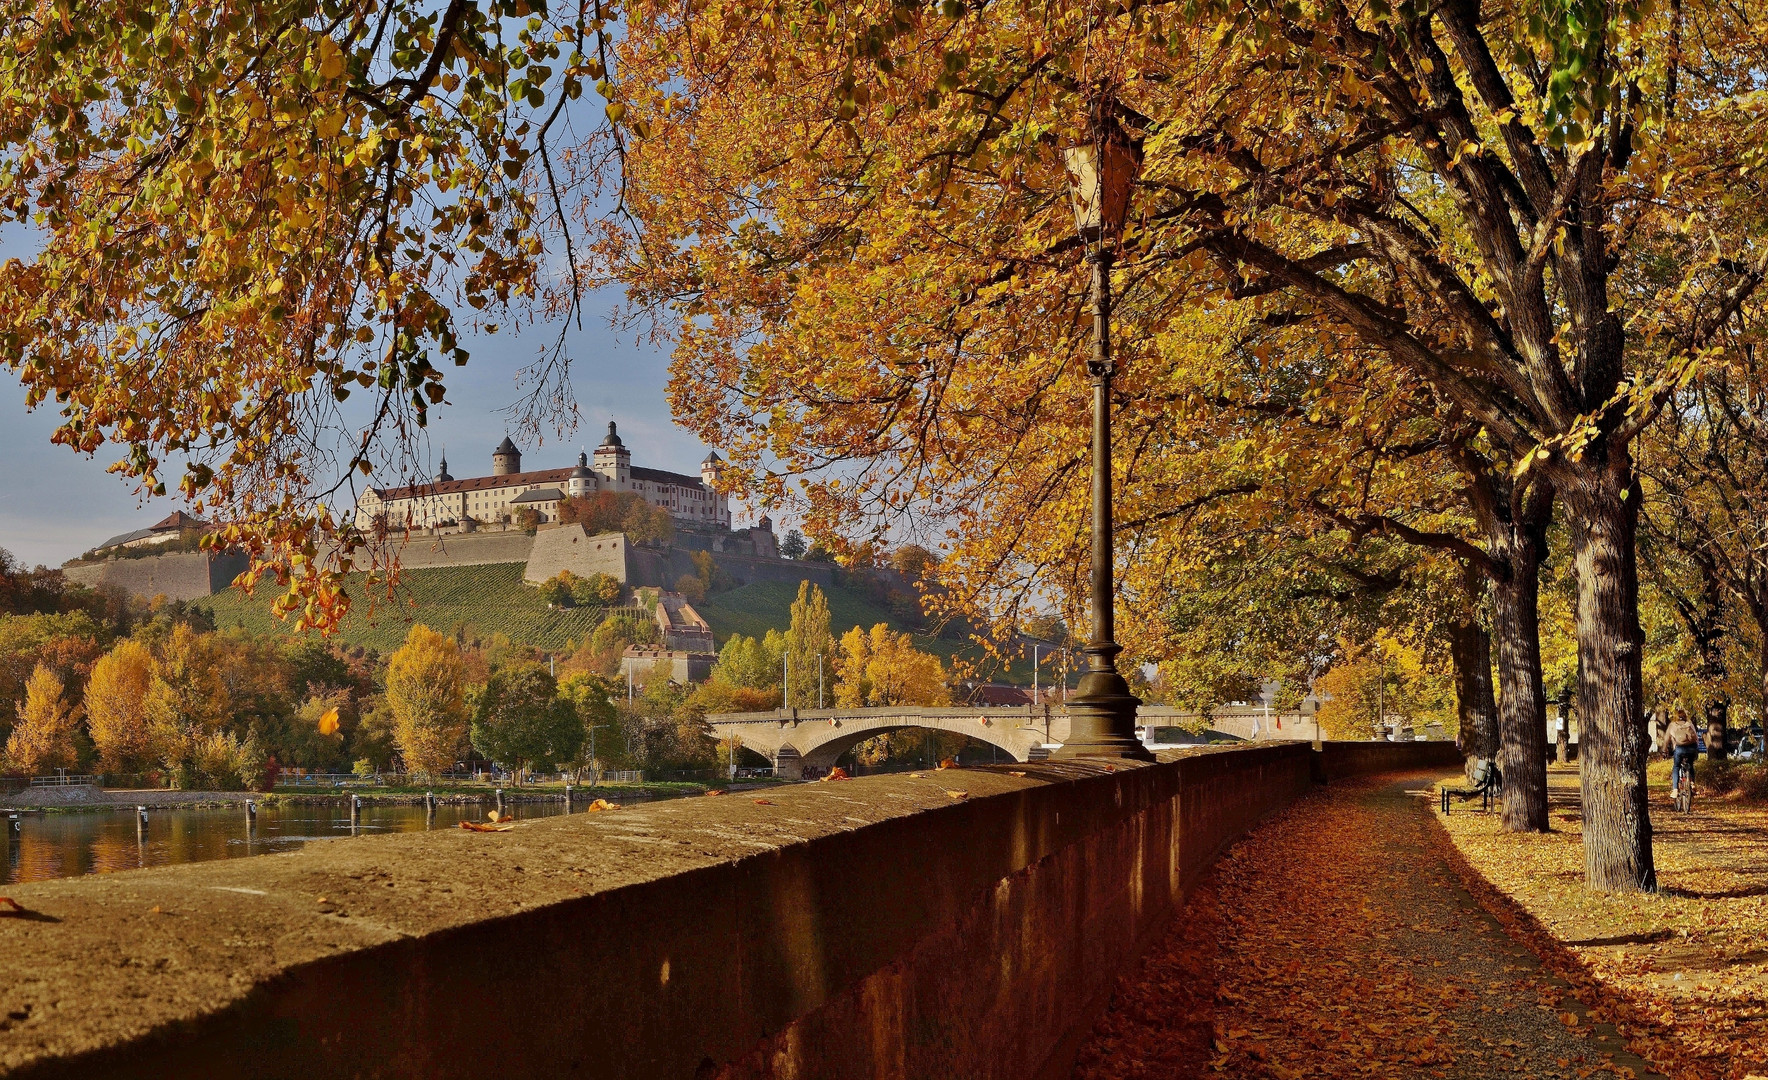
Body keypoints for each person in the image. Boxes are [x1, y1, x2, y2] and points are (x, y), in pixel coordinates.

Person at [1666, 708, 1700, 801]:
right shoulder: (1689, 724)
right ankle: (1692, 783)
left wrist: (1664, 750)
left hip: (1679, 749)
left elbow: (1666, 739)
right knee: (1690, 765)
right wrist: (1696, 749)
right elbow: (1696, 738)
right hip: (1692, 749)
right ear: (1685, 716)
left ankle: (1675, 789)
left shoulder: (1672, 725)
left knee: (1676, 767)